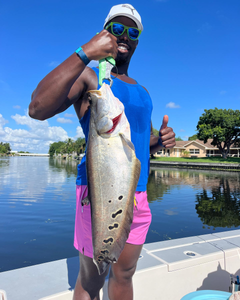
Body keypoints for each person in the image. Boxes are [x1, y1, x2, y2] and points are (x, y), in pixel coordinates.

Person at [29, 4, 176, 300]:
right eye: (117, 28)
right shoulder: (90, 77)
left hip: (139, 195)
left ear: (137, 40)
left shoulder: (143, 91)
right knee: (92, 279)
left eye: (132, 31)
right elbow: (37, 108)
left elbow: (133, 143)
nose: (125, 35)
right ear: (105, 32)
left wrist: (159, 141)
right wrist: (85, 52)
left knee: (124, 274)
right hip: (98, 192)